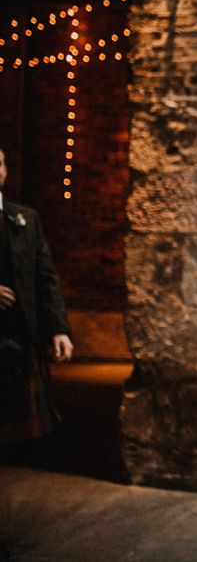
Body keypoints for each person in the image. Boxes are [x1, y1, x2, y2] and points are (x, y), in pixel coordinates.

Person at [0, 148, 73, 451]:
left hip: (20, 337)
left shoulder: (25, 218)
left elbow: (46, 278)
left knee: (18, 437)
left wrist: (59, 329)